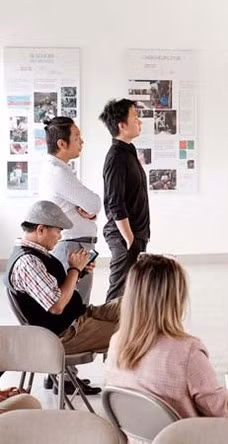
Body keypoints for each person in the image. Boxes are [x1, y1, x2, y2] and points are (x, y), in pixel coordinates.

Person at [105, 255, 228, 443]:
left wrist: (227, 401)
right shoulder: (186, 351)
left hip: (142, 438)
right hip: (187, 437)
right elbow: (219, 412)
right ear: (175, 299)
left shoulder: (116, 344)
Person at [4, 201, 120, 394]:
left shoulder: (36, 256)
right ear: (41, 229)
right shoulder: (28, 262)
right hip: (65, 334)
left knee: (133, 307)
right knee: (136, 330)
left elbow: (54, 290)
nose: (59, 237)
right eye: (57, 231)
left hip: (77, 318)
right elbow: (56, 305)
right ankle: (133, 388)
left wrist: (79, 272)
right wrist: (74, 269)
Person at [39, 117, 102, 305]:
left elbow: (90, 208)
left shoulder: (57, 168)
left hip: (74, 244)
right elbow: (94, 203)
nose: (82, 142)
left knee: (76, 304)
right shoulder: (58, 172)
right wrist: (92, 210)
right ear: (61, 143)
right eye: (77, 137)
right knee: (75, 307)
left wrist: (91, 212)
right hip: (72, 247)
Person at [99, 98, 150, 302]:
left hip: (135, 236)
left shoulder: (128, 152)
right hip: (124, 237)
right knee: (118, 294)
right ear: (122, 125)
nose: (139, 122)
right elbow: (115, 202)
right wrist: (129, 239)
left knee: (131, 294)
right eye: (135, 117)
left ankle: (127, 333)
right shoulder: (116, 157)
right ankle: (110, 334)